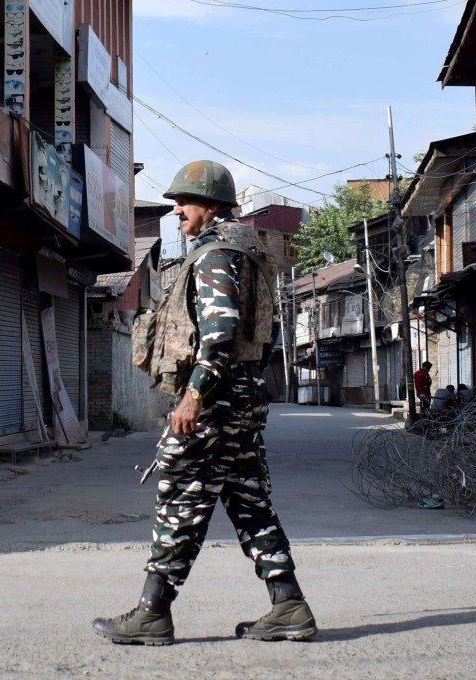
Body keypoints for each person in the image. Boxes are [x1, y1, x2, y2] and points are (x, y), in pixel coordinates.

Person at [92, 160, 316, 645]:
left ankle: (153, 613)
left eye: (184, 202)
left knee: (180, 501)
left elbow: (219, 333)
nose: (176, 212)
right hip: (244, 397)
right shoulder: (248, 252)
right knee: (250, 502)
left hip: (215, 399)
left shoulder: (215, 255)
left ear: (211, 205)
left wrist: (193, 396)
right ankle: (290, 606)